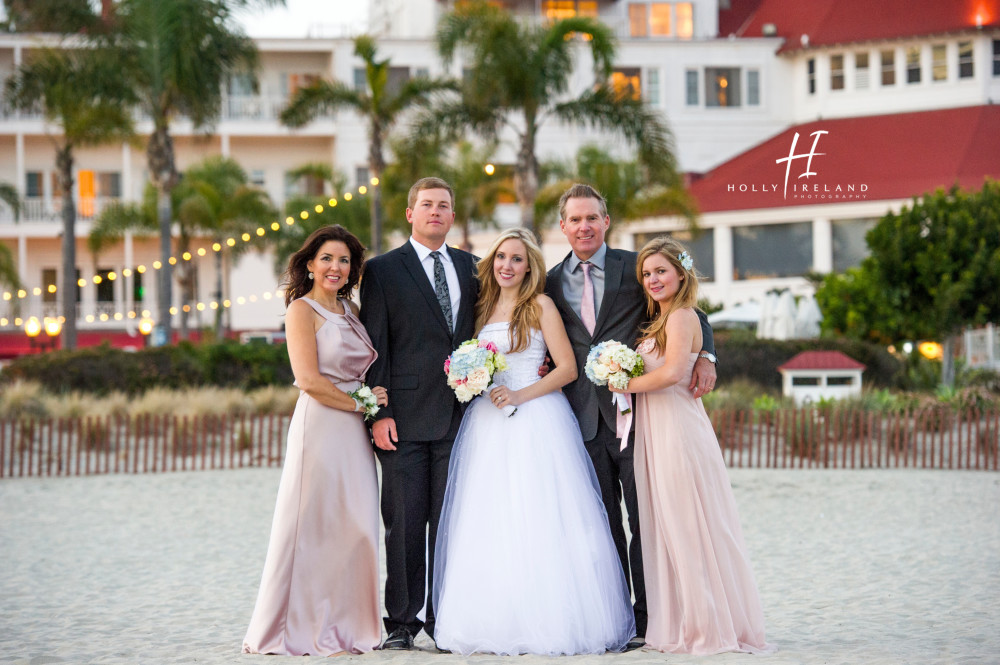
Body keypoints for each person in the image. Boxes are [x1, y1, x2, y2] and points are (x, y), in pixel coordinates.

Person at [432, 228, 635, 656]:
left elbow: (566, 369)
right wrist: (473, 380)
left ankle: (551, 618)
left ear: (530, 267)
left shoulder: (540, 305)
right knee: (490, 518)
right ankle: (494, 617)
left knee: (538, 513)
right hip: (488, 422)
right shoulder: (482, 307)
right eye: (502, 257)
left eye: (517, 259)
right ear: (492, 262)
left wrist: (521, 394)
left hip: (536, 416)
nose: (507, 265)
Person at [544, 183, 718, 646]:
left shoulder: (636, 269)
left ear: (606, 222)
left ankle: (649, 619)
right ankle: (618, 619)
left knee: (647, 520)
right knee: (602, 525)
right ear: (563, 227)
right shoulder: (548, 281)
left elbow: (685, 310)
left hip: (640, 419)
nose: (583, 226)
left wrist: (708, 356)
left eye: (592, 218)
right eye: (574, 219)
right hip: (581, 420)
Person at [610, 236, 774, 655]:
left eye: (661, 271)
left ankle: (705, 626)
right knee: (670, 526)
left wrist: (624, 383)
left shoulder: (682, 316)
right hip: (656, 429)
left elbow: (672, 374)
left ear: (681, 273)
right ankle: (683, 620)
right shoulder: (658, 318)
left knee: (689, 524)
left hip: (678, 431)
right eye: (647, 273)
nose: (652, 279)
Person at [243, 225, 388, 656]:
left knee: (356, 527)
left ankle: (347, 627)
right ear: (309, 264)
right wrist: (361, 403)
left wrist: (370, 398)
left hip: (354, 432)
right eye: (326, 258)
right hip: (322, 425)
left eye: (344, 260)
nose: (335, 267)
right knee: (312, 525)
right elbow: (308, 380)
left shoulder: (353, 311)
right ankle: (292, 628)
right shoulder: (301, 311)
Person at [358, 177, 479, 650]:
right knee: (405, 523)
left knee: (451, 521)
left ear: (452, 216)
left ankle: (446, 618)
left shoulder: (473, 267)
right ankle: (403, 623)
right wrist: (378, 414)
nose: (435, 212)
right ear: (410, 213)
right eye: (426, 204)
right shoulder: (384, 270)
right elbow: (375, 346)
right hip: (403, 418)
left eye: (443, 205)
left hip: (462, 416)